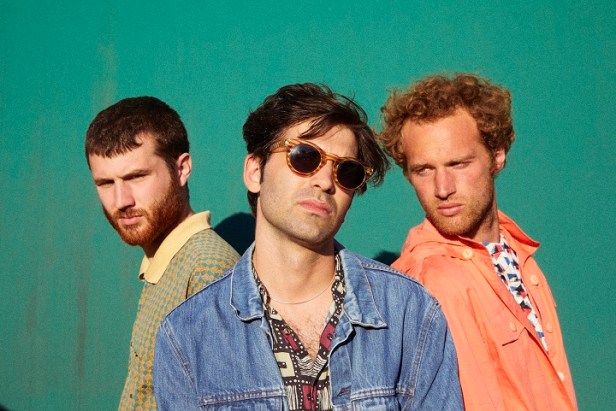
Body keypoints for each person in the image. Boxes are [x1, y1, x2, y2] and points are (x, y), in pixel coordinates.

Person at [153, 83, 463, 410]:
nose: (325, 181)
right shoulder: (188, 335)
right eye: (304, 157)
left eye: (347, 171)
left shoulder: (409, 312)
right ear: (255, 172)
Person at [378, 73, 577, 410]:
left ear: (496, 156)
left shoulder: (517, 252)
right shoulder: (429, 283)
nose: (443, 188)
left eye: (458, 164)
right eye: (424, 169)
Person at [85, 96, 239, 410]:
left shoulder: (207, 269)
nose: (121, 200)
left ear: (182, 169)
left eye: (136, 177)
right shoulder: (167, 261)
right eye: (105, 183)